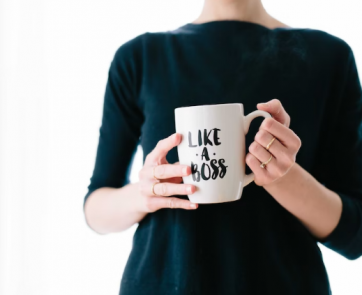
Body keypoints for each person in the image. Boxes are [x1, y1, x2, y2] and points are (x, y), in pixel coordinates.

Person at [83, 0, 362, 294]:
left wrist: (284, 177)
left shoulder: (328, 58)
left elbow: (355, 235)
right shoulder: (139, 58)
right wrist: (145, 193)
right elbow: (95, 209)